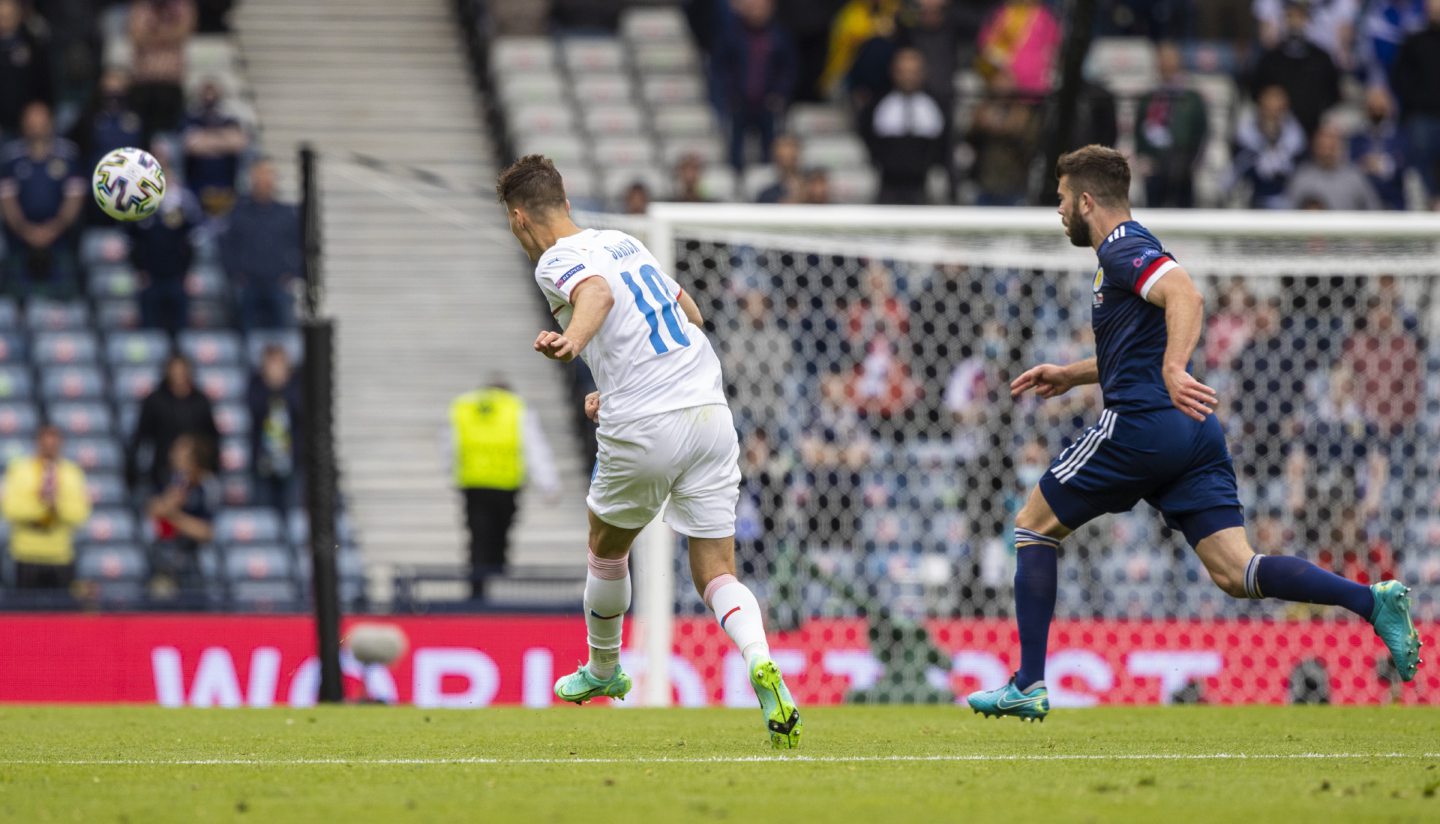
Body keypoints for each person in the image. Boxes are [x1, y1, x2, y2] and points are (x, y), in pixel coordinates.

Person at [966, 145, 1422, 722]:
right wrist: (1075, 374)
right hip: (1194, 432)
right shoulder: (1129, 252)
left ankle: (1028, 683)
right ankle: (1371, 601)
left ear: (1086, 201)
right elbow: (1134, 352)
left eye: (1060, 199)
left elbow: (1186, 294)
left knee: (1033, 527)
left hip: (1142, 427)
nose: (1057, 211)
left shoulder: (1125, 246)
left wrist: (1176, 368)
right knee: (1238, 571)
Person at [495, 154, 801, 746]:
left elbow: (597, 295)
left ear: (518, 218)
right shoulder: (623, 241)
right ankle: (760, 659)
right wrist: (614, 384)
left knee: (605, 548)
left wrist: (571, 342)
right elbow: (691, 313)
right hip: (709, 412)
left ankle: (604, 670)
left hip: (646, 424)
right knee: (716, 567)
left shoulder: (557, 260)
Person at [447, 379, 559, 599]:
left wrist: (452, 472)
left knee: (477, 536)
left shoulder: (464, 406)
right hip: (506, 485)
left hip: (474, 483)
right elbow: (534, 446)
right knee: (500, 534)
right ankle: (494, 572)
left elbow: (450, 442)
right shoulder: (516, 406)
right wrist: (548, 484)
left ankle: (477, 587)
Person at [0, 101, 83, 299]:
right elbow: (7, 200)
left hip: (60, 242)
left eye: (40, 120)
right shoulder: (11, 157)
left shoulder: (68, 154)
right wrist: (26, 230)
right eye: (31, 121)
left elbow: (75, 198)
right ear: (23, 124)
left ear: (50, 123)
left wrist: (53, 229)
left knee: (63, 302)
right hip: (19, 242)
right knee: (15, 301)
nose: (36, 126)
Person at [2, 425, 90, 591]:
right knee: (26, 611)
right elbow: (10, 509)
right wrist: (42, 507)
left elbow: (80, 514)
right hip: (26, 554)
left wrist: (57, 507)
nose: (49, 450)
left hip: (60, 555)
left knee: (61, 612)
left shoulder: (72, 473)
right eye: (45, 445)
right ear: (37, 444)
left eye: (53, 445)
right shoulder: (20, 471)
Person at [219, 157, 302, 330]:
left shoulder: (287, 214)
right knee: (244, 332)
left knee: (282, 334)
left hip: (278, 284)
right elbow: (227, 246)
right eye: (260, 174)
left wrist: (291, 273)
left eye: (268, 174)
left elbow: (300, 246)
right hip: (248, 285)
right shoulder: (239, 213)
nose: (264, 179)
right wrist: (235, 274)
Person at [713, 0, 796, 172]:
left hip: (768, 104)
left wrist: (779, 94)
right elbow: (721, 67)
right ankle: (735, 182)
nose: (757, 11)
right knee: (735, 152)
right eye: (753, 6)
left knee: (769, 153)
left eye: (761, 6)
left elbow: (789, 69)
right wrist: (730, 94)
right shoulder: (732, 34)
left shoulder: (780, 35)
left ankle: (767, 185)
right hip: (739, 102)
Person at [127, 147, 202, 335]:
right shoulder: (138, 202)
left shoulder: (183, 200)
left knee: (182, 330)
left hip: (177, 277)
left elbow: (192, 240)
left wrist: (188, 272)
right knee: (149, 330)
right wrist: (138, 270)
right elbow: (132, 241)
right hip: (149, 278)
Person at [859, 48, 948, 205]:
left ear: (923, 72)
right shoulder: (878, 104)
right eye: (903, 71)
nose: (908, 77)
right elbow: (867, 136)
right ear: (893, 72)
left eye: (913, 72)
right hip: (887, 184)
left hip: (923, 185)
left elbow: (944, 142)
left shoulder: (936, 105)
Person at [127, 354, 220, 495]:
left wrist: (209, 468)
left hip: (196, 474)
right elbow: (141, 436)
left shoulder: (201, 401)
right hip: (162, 472)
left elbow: (212, 437)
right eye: (174, 370)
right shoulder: (155, 401)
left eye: (182, 371)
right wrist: (133, 471)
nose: (178, 375)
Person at [1133, 42, 1209, 208]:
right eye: (1162, 59)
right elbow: (1138, 134)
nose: (1166, 64)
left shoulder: (1192, 99)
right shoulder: (1148, 99)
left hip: (1184, 167)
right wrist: (1143, 158)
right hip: (1154, 167)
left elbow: (1201, 133)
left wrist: (1191, 163)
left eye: (1171, 59)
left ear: (1179, 62)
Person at [1252, 0, 1341, 137]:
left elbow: (1333, 96)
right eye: (1290, 16)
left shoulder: (1322, 59)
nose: (1295, 23)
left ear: (1308, 20)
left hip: (1315, 130)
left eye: (1299, 17)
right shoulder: (1270, 59)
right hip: (1277, 133)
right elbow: (1257, 94)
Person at [146, 433, 217, 595]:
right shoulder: (170, 479)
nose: (173, 455)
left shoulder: (208, 486)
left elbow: (206, 532)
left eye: (181, 452)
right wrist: (172, 498)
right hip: (163, 555)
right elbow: (153, 510)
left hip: (194, 559)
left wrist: (174, 516)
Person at [1390, 0, 1440, 206]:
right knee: (1420, 171)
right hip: (1422, 117)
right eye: (1434, 6)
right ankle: (1427, 210)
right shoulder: (1414, 41)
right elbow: (1400, 77)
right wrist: (1417, 102)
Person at [129, 0, 197, 142]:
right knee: (141, 134)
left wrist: (154, 31)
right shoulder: (141, 7)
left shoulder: (182, 6)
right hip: (143, 82)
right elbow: (137, 36)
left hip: (171, 82)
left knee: (170, 134)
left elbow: (183, 33)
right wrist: (166, 32)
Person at [1231, 85, 1308, 208]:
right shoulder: (1245, 133)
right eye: (1268, 109)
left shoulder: (1296, 137)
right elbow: (1237, 169)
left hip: (1286, 199)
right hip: (1249, 197)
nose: (1272, 114)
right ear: (1260, 107)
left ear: (1285, 109)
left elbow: (1299, 171)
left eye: (1277, 110)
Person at [247, 344, 302, 515]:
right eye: (272, 363)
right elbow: (254, 408)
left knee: (294, 512)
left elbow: (301, 409)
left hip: (292, 461)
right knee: (263, 515)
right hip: (263, 462)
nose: (276, 368)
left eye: (280, 363)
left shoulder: (297, 384)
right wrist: (271, 386)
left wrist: (282, 386)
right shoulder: (256, 384)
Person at [182, 79, 248, 216]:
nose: (209, 97)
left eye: (212, 93)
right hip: (197, 186)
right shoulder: (191, 118)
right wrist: (222, 140)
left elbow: (237, 143)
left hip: (227, 186)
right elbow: (192, 145)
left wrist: (205, 139)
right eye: (206, 93)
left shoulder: (229, 119)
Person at [1286, 121, 1383, 210]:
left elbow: (1374, 210)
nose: (1326, 152)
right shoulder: (1302, 177)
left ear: (1340, 147)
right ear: (1314, 147)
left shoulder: (1355, 177)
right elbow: (1288, 214)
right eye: (1322, 147)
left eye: (1331, 147)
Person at [1350, 85, 1408, 209]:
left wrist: (1383, 164)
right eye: (1372, 106)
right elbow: (1351, 163)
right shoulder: (1357, 137)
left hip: (1394, 201)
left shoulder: (1401, 136)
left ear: (1389, 108)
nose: (1377, 110)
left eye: (1381, 106)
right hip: (1362, 202)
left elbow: (1404, 164)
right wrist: (1365, 164)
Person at [0, 0, 51, 136]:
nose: (4, 20)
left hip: (25, 121)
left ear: (18, 15)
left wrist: (39, 108)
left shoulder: (32, 44)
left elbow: (43, 80)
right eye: (1, 16)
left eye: (8, 15)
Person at [756, 133, 802, 203]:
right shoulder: (762, 181)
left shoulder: (807, 181)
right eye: (783, 147)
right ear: (774, 153)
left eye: (791, 147)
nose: (787, 153)